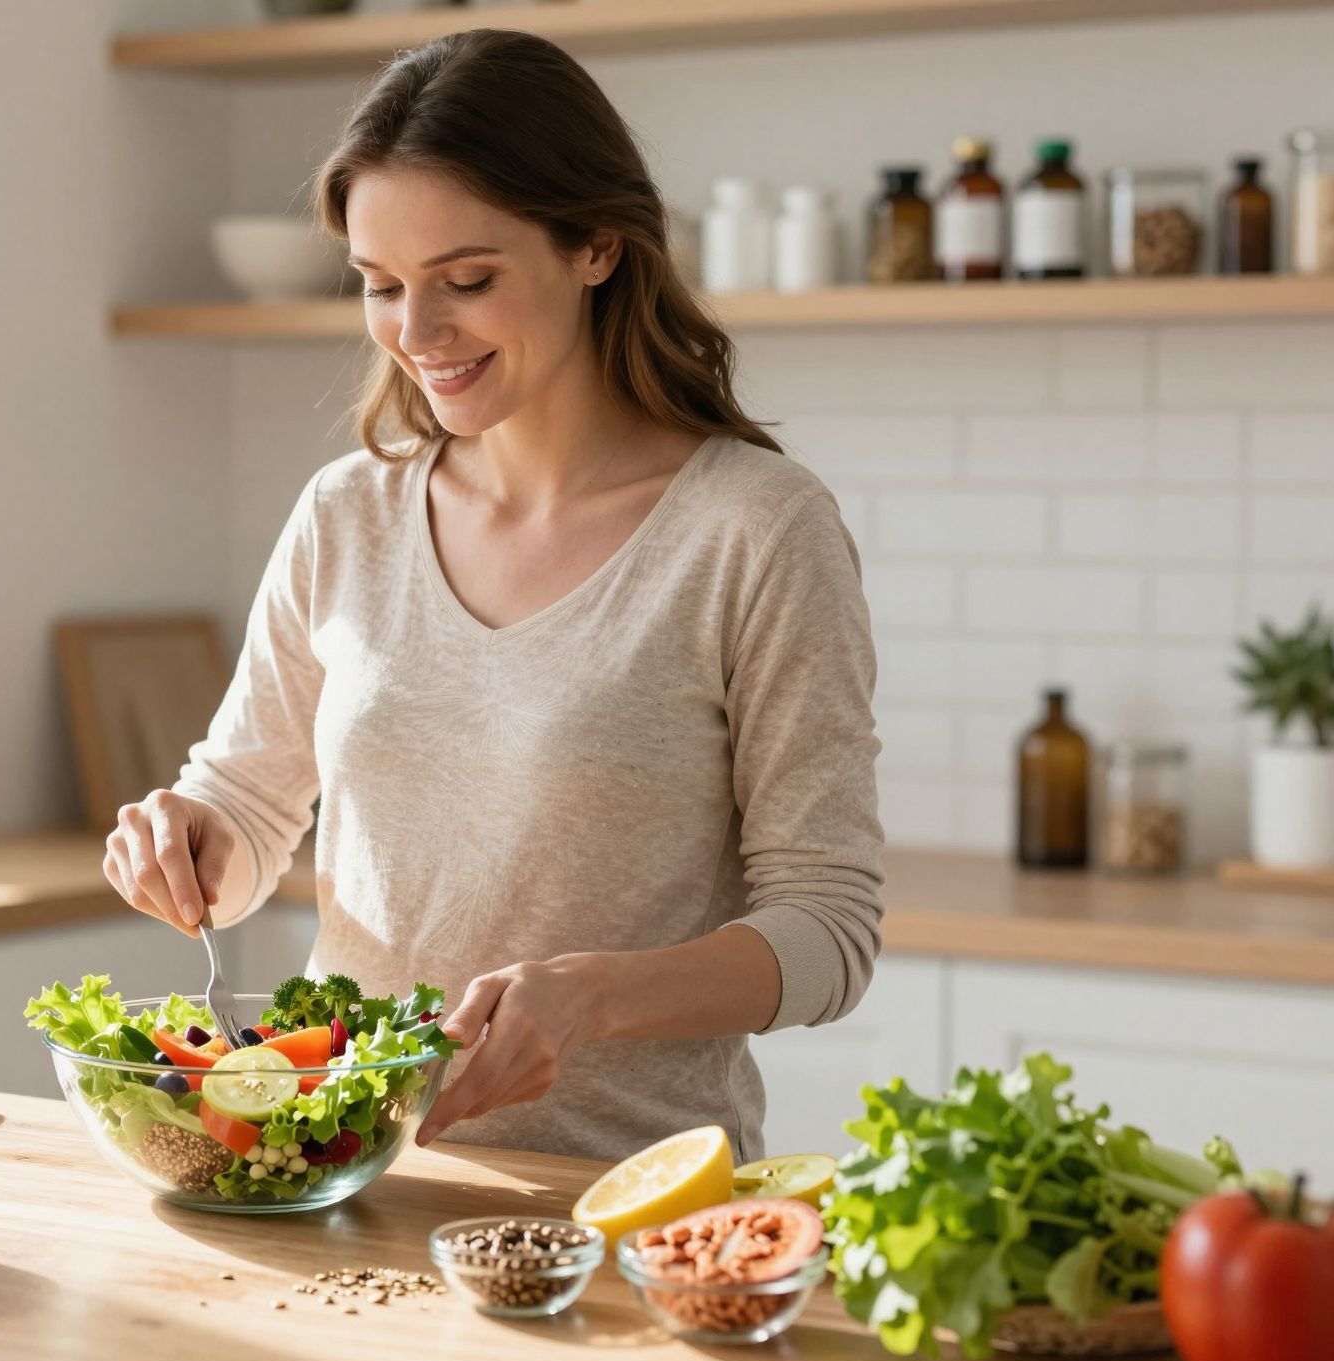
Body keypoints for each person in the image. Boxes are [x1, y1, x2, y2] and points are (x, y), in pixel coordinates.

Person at [102, 29, 881, 1164]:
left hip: (624, 1199)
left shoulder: (753, 530)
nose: (416, 335)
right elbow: (246, 814)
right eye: (379, 287)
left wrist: (589, 998)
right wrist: (182, 843)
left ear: (597, 248)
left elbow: (828, 934)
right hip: (336, 1170)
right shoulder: (346, 514)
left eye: (466, 281)